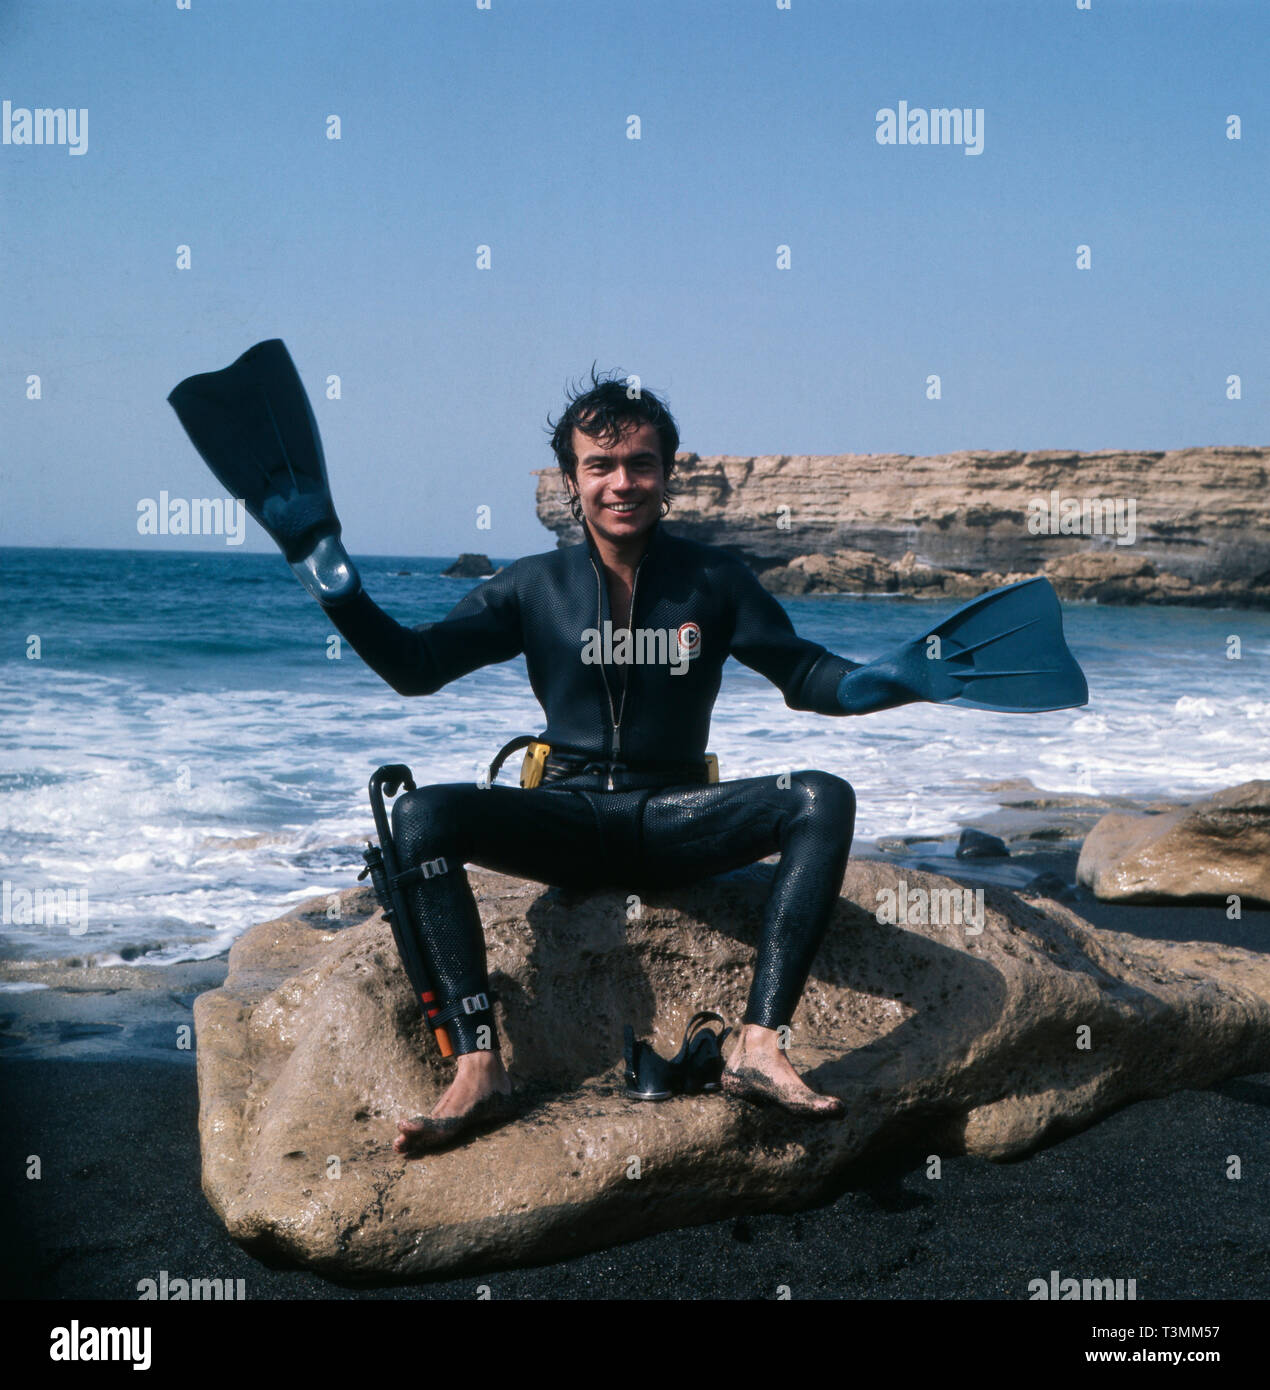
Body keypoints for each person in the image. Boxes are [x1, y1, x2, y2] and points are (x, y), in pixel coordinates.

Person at [168, 341, 1088, 1157]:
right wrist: (330, 576)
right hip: (564, 815)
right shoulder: (529, 587)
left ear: (668, 474)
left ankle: (759, 1045)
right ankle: (478, 1063)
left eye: (640, 464)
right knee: (421, 814)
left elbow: (805, 675)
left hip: (673, 817)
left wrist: (894, 675)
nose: (621, 482)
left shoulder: (716, 581)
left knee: (822, 796)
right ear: (569, 479)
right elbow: (415, 668)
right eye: (600, 465)